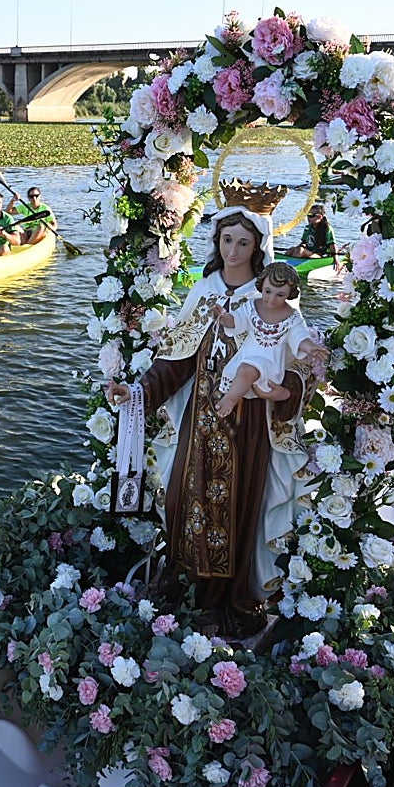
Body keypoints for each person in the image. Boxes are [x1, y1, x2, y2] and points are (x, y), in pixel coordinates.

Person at [105, 206, 314, 638]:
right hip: (199, 424)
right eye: (226, 240)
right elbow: (175, 361)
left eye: (243, 242)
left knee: (238, 508)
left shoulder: (273, 299)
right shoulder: (203, 292)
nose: (233, 250)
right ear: (216, 243)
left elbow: (297, 362)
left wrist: (285, 389)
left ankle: (224, 600)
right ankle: (185, 585)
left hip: (248, 426)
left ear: (258, 247)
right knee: (185, 498)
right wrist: (138, 391)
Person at [214, 261, 325, 417]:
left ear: (289, 294)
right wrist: (224, 317)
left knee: (247, 370)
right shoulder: (251, 306)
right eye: (268, 292)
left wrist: (309, 346)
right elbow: (237, 320)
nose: (271, 300)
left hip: (270, 362)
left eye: (280, 295)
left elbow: (299, 335)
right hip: (247, 354)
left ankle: (230, 400)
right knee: (244, 371)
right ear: (261, 287)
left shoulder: (292, 316)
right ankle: (273, 395)